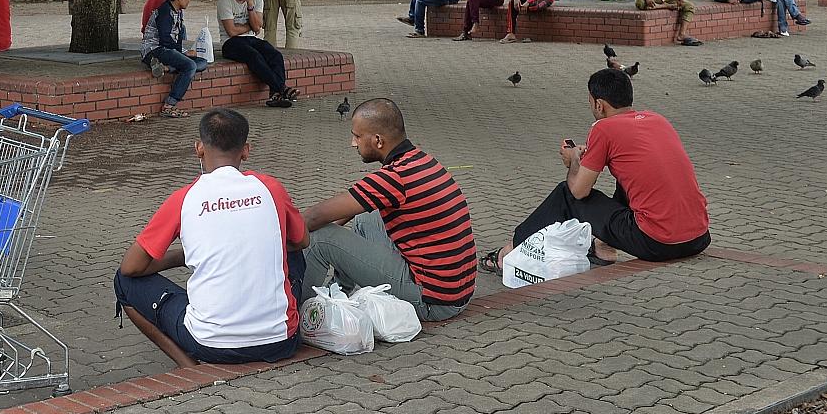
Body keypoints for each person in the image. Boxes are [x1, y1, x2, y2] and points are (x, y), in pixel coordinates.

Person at [115, 108, 308, 367]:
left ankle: (188, 367)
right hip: (283, 340)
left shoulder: (184, 198)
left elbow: (131, 267)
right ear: (246, 150)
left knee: (123, 281)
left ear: (199, 148)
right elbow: (302, 241)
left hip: (212, 346)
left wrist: (183, 257)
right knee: (293, 252)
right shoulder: (270, 187)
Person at [484, 68, 709, 269]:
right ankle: (604, 247)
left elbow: (578, 192)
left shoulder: (604, 128)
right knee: (627, 183)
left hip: (657, 243)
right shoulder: (658, 120)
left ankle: (506, 255)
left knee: (564, 194)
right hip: (698, 237)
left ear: (599, 104)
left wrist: (573, 160)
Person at [300, 98, 475, 322]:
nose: (353, 143)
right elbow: (350, 208)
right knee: (366, 216)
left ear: (378, 141)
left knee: (321, 238)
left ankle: (301, 317)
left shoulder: (395, 178)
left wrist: (284, 242)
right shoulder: (420, 160)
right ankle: (340, 293)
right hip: (456, 293)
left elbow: (313, 217)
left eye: (357, 136)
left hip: (432, 301)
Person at [218, 0, 300, 108]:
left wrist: (250, 6)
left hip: (251, 39)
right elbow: (231, 31)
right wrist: (250, 25)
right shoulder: (224, 1)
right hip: (230, 43)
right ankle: (282, 88)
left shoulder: (257, 0)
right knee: (254, 56)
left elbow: (257, 28)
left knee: (274, 55)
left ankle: (275, 94)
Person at [142, 0, 207, 118]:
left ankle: (166, 68)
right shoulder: (165, 11)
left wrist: (182, 51)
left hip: (167, 50)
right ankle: (169, 105)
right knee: (189, 66)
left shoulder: (177, 11)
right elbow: (165, 40)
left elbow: (176, 39)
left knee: (202, 62)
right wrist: (183, 53)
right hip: (155, 49)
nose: (189, 0)